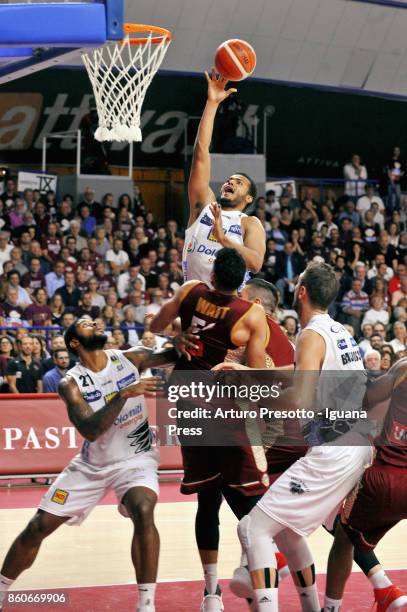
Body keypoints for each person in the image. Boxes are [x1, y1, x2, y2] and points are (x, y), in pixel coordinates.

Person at [0, 317, 183, 612]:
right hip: (91, 465)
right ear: (75, 343)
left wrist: (180, 333)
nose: (96, 323)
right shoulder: (70, 383)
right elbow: (91, 429)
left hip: (136, 459)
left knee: (144, 509)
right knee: (37, 527)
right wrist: (124, 394)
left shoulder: (130, 357)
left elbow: (174, 355)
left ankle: (146, 604)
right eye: (87, 324)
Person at [229, 262, 374, 612]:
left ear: (303, 292)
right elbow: (300, 374)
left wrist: (251, 392)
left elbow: (300, 398)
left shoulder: (310, 334)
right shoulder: (338, 330)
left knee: (253, 529)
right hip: (356, 445)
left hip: (335, 451)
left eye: (298, 284)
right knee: (288, 531)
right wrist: (251, 372)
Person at [150, 248, 268, 612]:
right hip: (224, 410)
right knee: (249, 498)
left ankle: (212, 593)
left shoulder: (190, 290)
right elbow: (260, 374)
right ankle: (257, 574)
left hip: (188, 404)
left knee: (208, 500)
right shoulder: (251, 314)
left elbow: (154, 327)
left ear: (213, 273)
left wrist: (176, 339)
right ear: (242, 282)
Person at [325, 358, 407, 611]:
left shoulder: (404, 367)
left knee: (343, 537)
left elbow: (366, 398)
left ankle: (330, 608)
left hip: (386, 479)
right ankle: (383, 588)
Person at [182, 69, 265, 287]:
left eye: (239, 183)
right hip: (192, 302)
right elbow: (201, 154)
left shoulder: (249, 223)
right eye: (230, 180)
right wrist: (212, 103)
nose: (230, 182)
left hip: (229, 309)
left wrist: (223, 239)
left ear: (249, 198)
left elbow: (256, 264)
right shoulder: (203, 206)